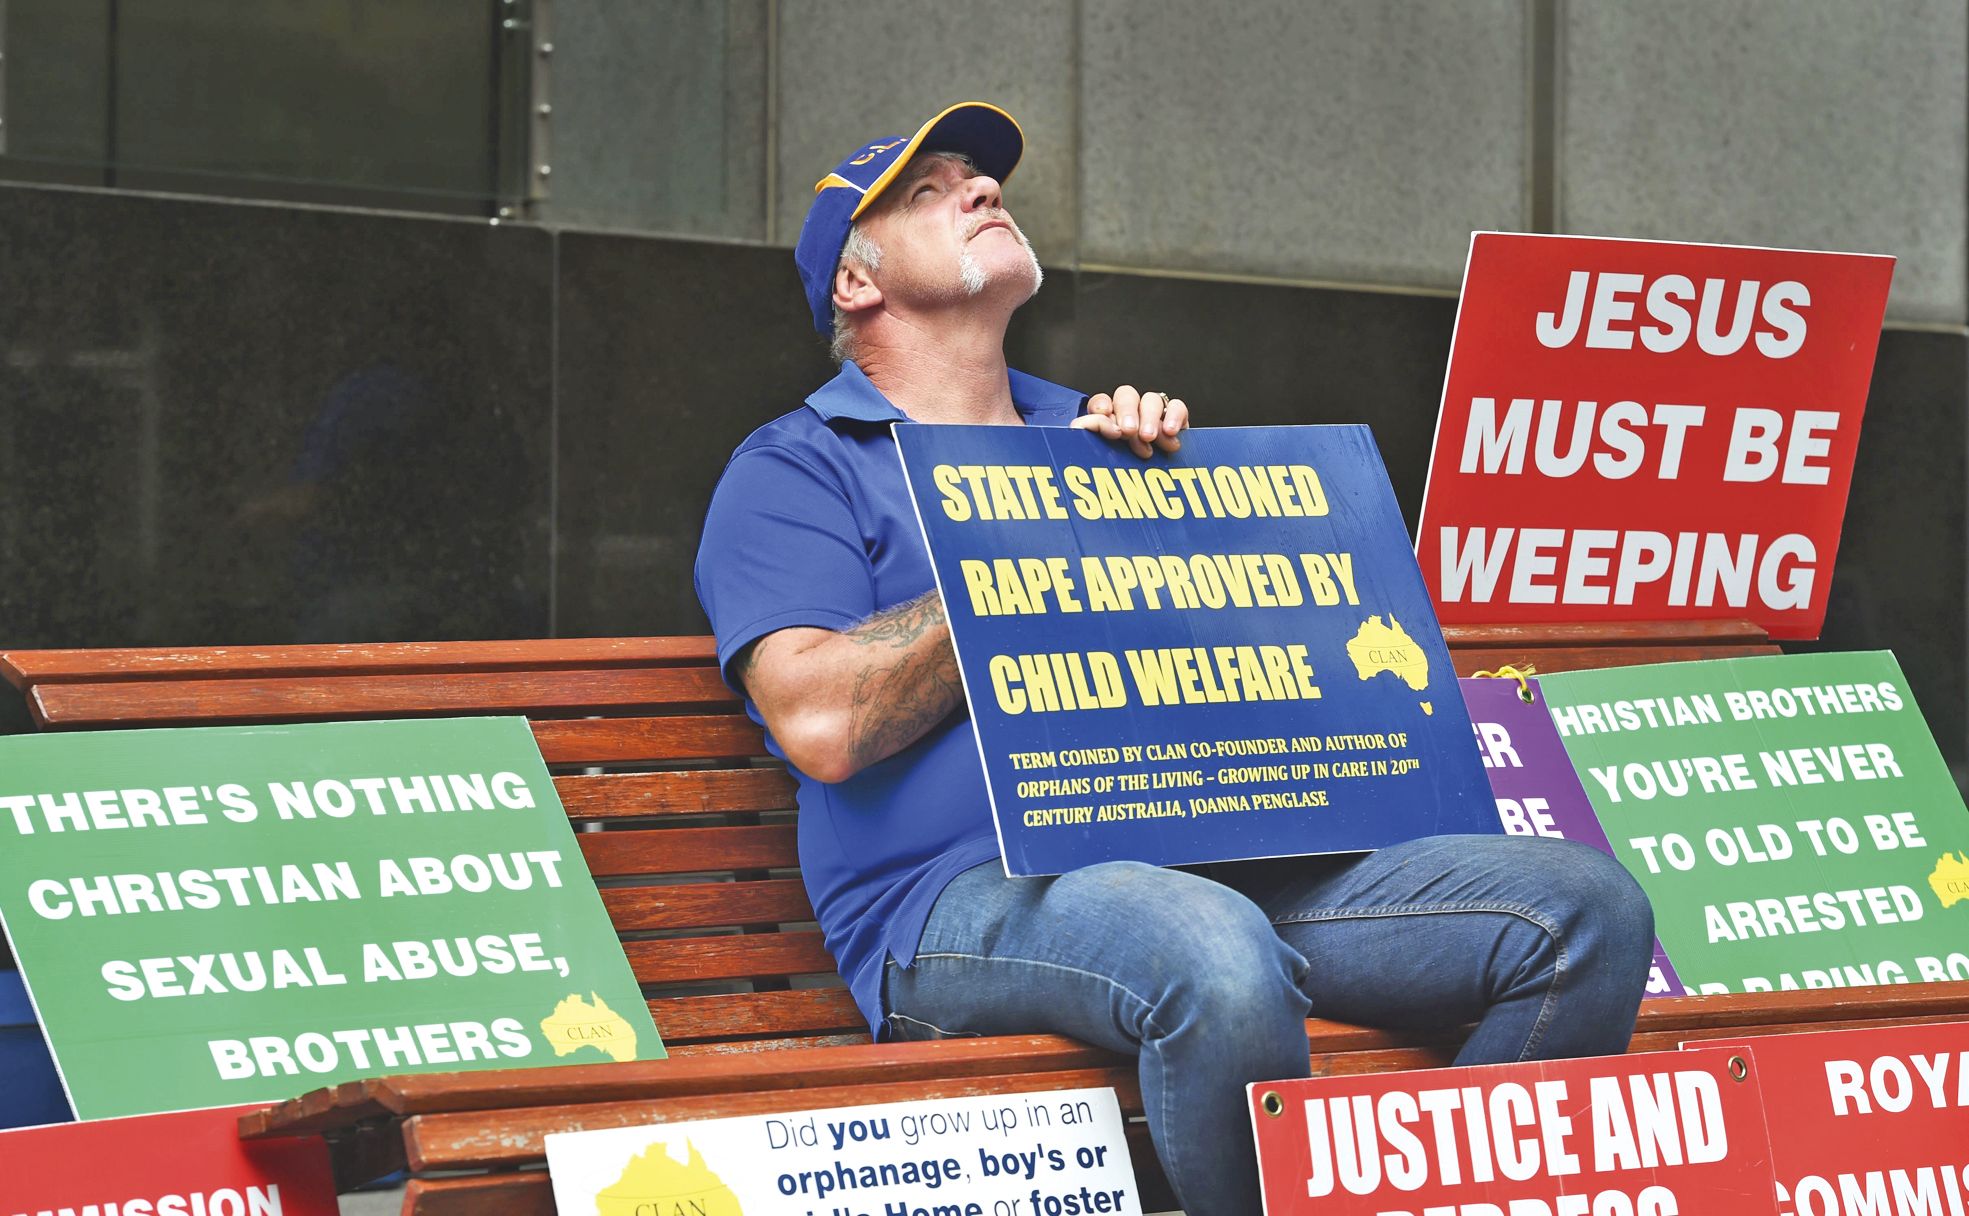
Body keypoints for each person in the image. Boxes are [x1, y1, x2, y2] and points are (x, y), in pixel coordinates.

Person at [694, 102, 1654, 1215]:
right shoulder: (796, 467)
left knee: (1581, 908)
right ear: (856, 285)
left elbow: (1244, 665)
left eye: (986, 179)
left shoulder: (1100, 432)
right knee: (1211, 949)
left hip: (1209, 854)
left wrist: (1187, 517)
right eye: (930, 189)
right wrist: (1037, 536)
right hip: (959, 905)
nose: (984, 190)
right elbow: (821, 723)